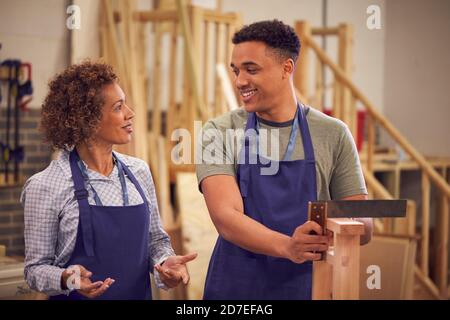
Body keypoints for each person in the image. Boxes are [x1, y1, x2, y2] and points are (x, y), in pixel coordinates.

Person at [196, 20, 373, 300]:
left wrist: (339, 228)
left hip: (309, 286)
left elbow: (363, 222)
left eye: (251, 69)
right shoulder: (219, 131)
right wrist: (290, 246)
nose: (240, 81)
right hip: (237, 287)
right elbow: (226, 218)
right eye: (236, 70)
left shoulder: (333, 133)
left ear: (286, 68)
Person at [21, 61, 196, 300]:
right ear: (87, 120)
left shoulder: (139, 171)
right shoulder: (46, 185)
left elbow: (156, 241)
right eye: (118, 107)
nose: (130, 113)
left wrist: (165, 264)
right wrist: (70, 279)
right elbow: (35, 270)